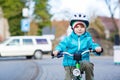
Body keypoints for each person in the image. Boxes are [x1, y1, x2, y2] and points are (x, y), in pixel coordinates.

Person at [53, 12, 103, 80]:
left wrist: (97, 48)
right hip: (69, 63)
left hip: (83, 62)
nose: (79, 29)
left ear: (85, 28)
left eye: (82, 27)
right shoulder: (68, 39)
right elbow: (61, 45)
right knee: (68, 78)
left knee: (88, 65)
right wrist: (57, 50)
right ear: (73, 28)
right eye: (77, 27)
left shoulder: (87, 38)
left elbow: (92, 45)